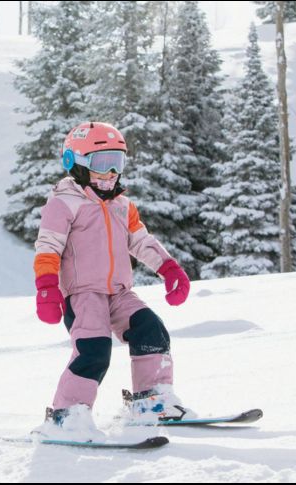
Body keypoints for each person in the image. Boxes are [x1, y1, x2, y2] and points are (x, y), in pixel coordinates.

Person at [32, 122, 193, 441]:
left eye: (117, 164)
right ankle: (67, 416)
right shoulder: (63, 203)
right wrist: (47, 287)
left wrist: (169, 269)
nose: (111, 174)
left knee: (151, 329)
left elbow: (141, 240)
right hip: (81, 296)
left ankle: (152, 401)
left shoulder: (122, 205)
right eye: (102, 164)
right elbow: (48, 246)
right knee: (94, 350)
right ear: (74, 163)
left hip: (119, 293)